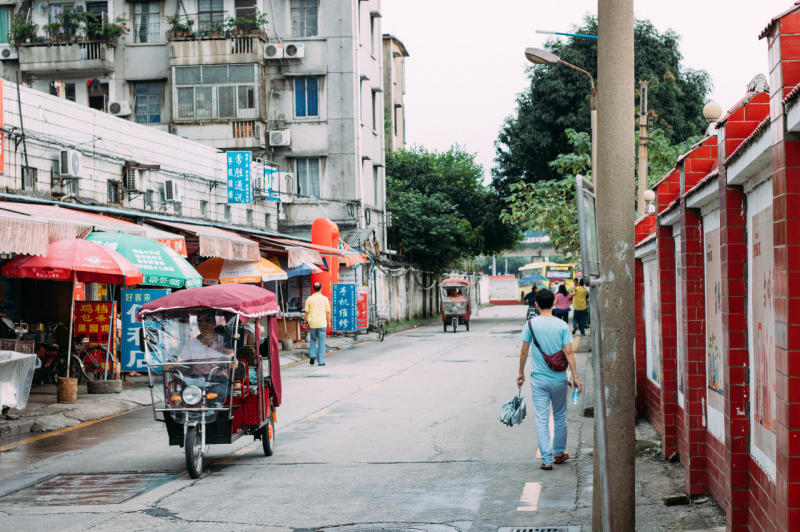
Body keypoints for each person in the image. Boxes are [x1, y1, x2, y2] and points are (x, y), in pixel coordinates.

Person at [516, 289, 582, 470]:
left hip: (538, 381)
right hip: (559, 380)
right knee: (560, 416)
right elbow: (569, 352)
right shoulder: (561, 325)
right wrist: (575, 377)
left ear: (536, 304)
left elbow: (524, 351)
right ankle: (559, 454)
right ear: (554, 303)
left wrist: (520, 372)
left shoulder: (530, 324)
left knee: (541, 419)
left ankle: (546, 459)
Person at [304, 282, 332, 366]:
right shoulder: (325, 299)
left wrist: (305, 322)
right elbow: (328, 312)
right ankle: (321, 361)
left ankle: (312, 356)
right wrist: (328, 322)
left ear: (313, 289)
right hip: (322, 323)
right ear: (321, 288)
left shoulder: (309, 299)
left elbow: (306, 312)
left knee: (313, 339)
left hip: (312, 323)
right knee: (321, 342)